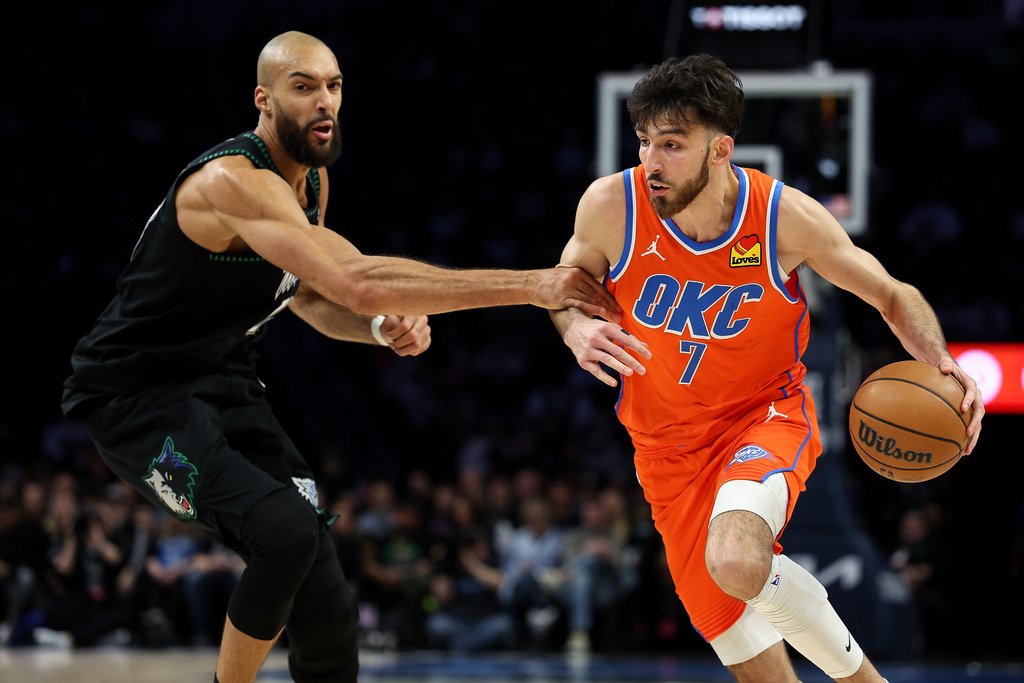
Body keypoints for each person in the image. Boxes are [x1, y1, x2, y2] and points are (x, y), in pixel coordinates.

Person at [60, 30, 619, 683]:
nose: (325, 102)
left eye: (334, 86)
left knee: (323, 584)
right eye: (304, 88)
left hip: (226, 379)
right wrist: (532, 285)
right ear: (263, 101)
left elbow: (310, 297)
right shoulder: (232, 182)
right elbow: (355, 279)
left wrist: (379, 330)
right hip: (138, 394)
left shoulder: (312, 183)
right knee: (285, 535)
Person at [549, 54, 984, 683]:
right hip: (664, 452)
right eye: (645, 141)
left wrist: (942, 361)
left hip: (763, 419)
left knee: (737, 560)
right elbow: (565, 288)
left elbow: (891, 293)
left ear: (721, 149)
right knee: (759, 671)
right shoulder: (611, 206)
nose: (651, 161)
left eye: (672, 144)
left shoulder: (785, 217)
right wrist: (577, 328)